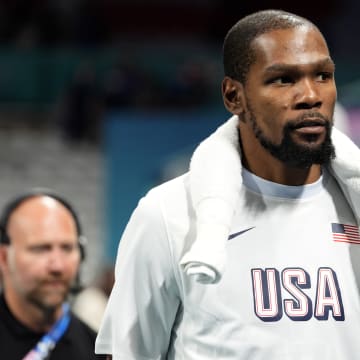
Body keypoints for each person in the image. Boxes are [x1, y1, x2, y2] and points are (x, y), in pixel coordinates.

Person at [95, 9, 360, 359]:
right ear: (234, 96)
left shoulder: (353, 205)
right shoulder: (167, 215)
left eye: (323, 75)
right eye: (283, 79)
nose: (310, 95)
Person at [0, 188, 106, 359]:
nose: (57, 266)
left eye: (67, 248)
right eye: (41, 249)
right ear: (4, 258)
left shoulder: (97, 352)